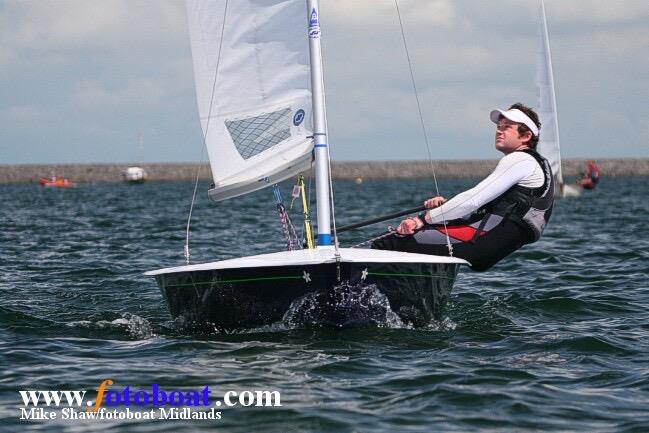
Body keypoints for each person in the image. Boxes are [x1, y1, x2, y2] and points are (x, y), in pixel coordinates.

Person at [372, 103, 555, 271]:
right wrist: (446, 207)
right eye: (498, 127)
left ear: (526, 136)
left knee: (388, 241)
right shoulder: (538, 164)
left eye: (506, 127)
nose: (499, 131)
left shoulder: (520, 160)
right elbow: (497, 206)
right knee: (421, 241)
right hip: (492, 242)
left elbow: (473, 200)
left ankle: (366, 303)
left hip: (479, 240)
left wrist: (422, 219)